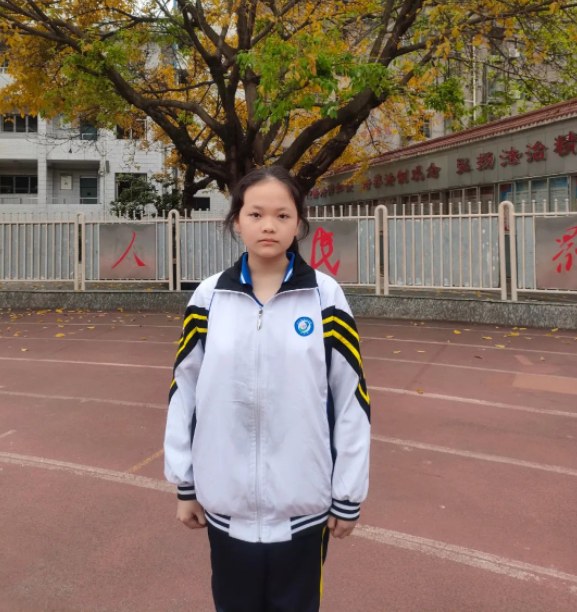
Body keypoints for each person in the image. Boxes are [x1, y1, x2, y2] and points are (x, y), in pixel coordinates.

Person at [164, 166, 371, 612]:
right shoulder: (208, 299)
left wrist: (347, 495)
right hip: (226, 506)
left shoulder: (325, 297)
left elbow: (351, 398)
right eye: (256, 214)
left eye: (282, 215)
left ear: (299, 224)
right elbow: (184, 394)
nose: (269, 226)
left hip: (303, 508)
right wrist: (186, 485)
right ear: (236, 221)